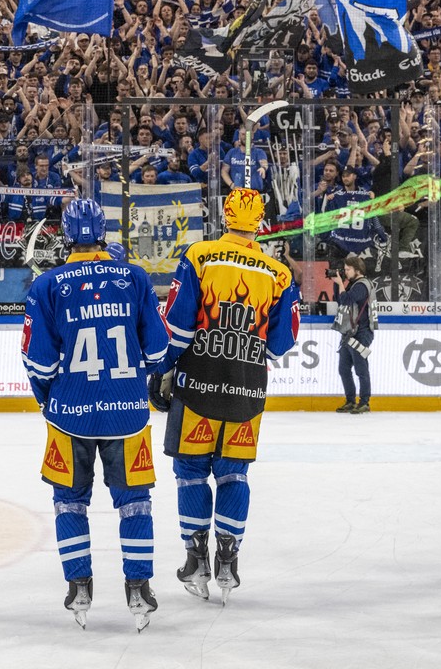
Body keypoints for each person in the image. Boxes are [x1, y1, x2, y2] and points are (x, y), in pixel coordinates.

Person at [22, 198, 169, 630]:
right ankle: (139, 589)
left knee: (69, 502)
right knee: (135, 503)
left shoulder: (47, 285)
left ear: (66, 235)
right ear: (103, 231)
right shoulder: (135, 277)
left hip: (70, 415)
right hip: (128, 414)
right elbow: (158, 351)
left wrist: (51, 398)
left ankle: (79, 586)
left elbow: (40, 363)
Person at [151, 187, 300, 604]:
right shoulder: (279, 273)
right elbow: (280, 343)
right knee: (235, 475)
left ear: (225, 216)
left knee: (191, 473)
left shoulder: (199, 256)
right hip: (246, 391)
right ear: (259, 223)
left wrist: (162, 370)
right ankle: (229, 560)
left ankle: (196, 559)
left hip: (197, 386)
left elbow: (177, 328)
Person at [333, 254, 375, 414]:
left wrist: (341, 285)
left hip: (361, 332)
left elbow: (347, 299)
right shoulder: (352, 284)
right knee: (344, 368)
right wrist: (338, 284)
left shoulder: (362, 285)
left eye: (347, 270)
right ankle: (350, 400)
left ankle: (364, 401)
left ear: (357, 270)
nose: (345, 272)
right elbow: (340, 299)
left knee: (360, 368)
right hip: (349, 332)